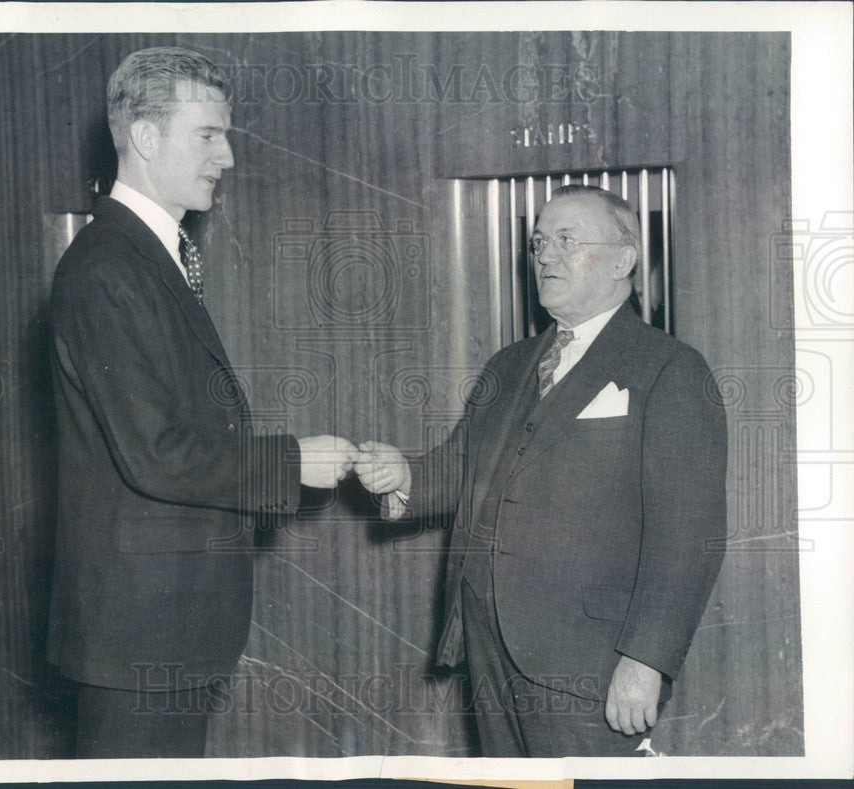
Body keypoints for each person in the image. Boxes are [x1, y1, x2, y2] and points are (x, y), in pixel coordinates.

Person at [47, 47, 357, 758]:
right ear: (147, 138)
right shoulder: (107, 268)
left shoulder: (149, 256)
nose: (229, 157)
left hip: (165, 623)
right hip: (138, 633)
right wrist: (290, 463)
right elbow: (157, 453)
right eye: (209, 135)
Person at [355, 185, 727, 757]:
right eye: (538, 243)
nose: (545, 255)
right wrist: (403, 473)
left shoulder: (669, 369)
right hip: (489, 647)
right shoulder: (509, 365)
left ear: (623, 260)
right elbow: (464, 467)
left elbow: (688, 537)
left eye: (567, 241)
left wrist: (646, 659)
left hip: (590, 664)